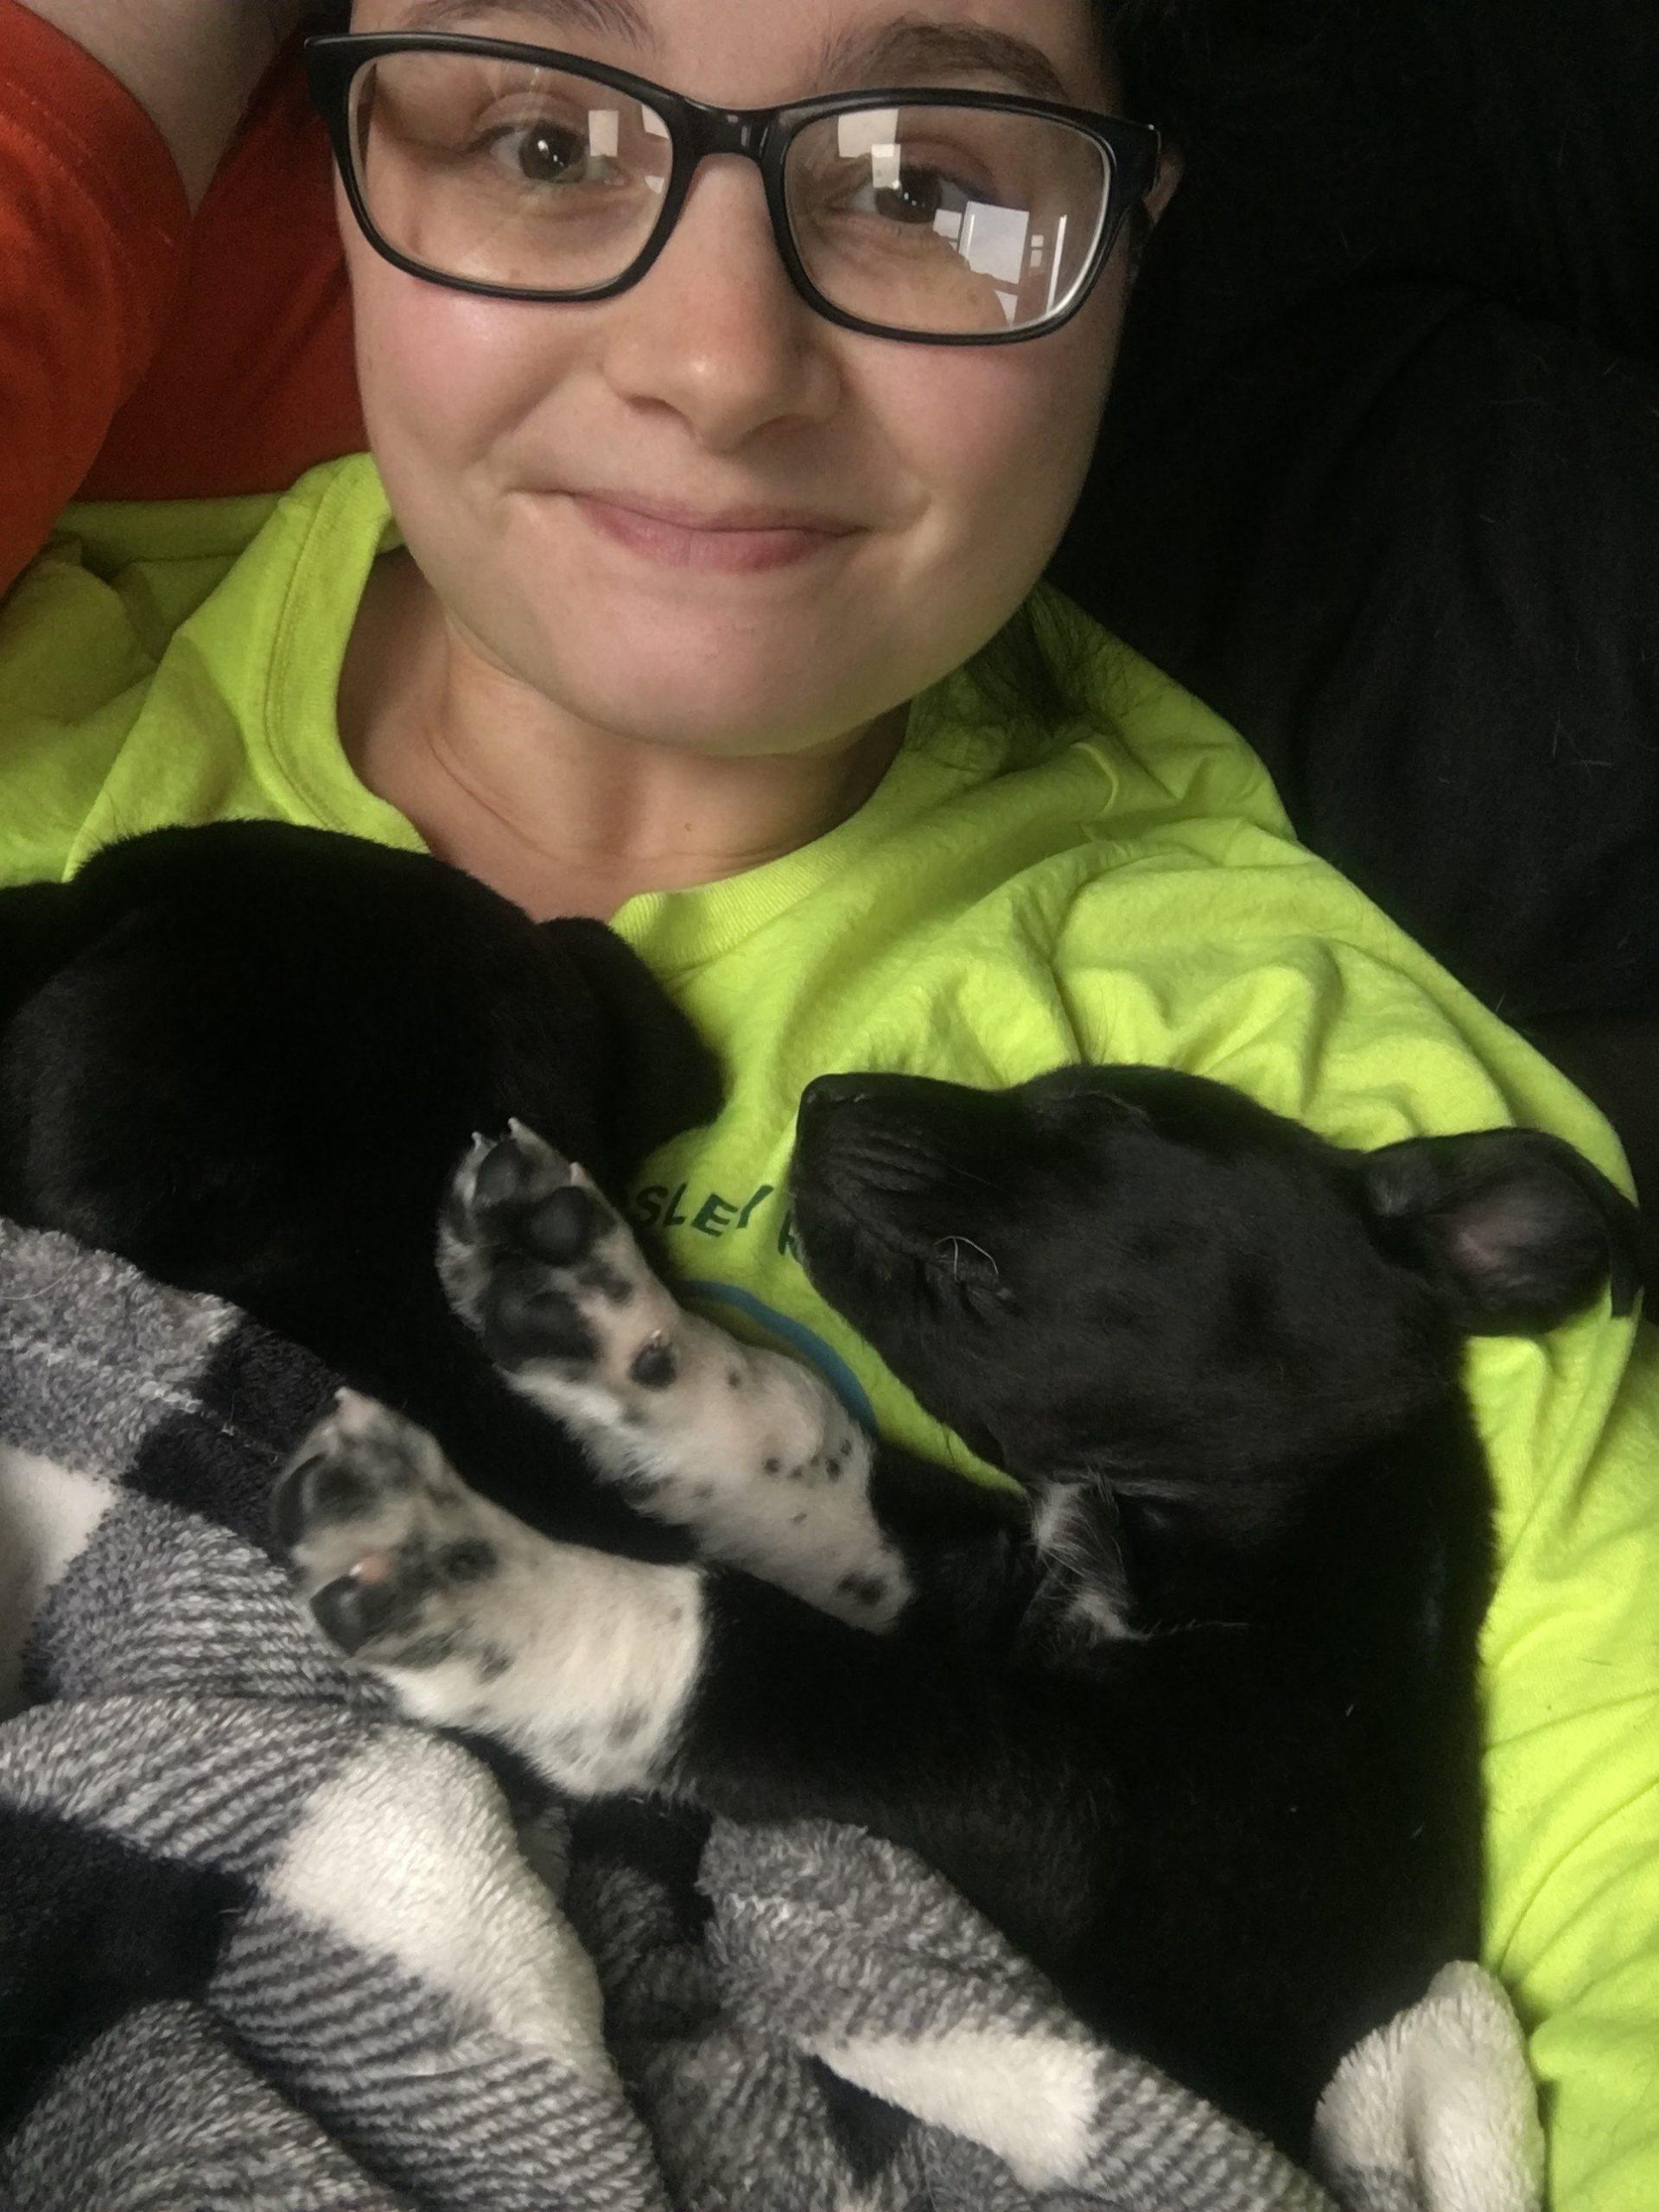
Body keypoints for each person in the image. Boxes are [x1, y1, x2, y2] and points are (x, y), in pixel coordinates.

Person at [0, 3, 1655, 2203]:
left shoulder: (1308, 1109)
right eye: (539, 136)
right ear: (336, 173)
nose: (718, 361)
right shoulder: (48, 668)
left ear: (1130, 238)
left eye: (922, 179)